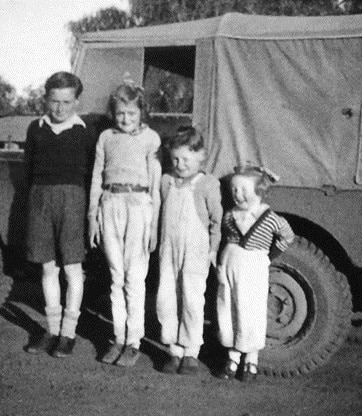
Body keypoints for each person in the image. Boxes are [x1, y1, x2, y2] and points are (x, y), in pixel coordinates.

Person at [88, 81, 161, 367]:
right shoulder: (106, 137)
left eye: (131, 114)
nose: (125, 119)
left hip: (139, 207)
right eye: (120, 113)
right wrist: (93, 216)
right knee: (116, 276)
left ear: (141, 113)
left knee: (135, 278)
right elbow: (96, 177)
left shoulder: (151, 139)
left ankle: (134, 341)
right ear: (113, 112)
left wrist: (153, 225)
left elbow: (155, 187)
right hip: (111, 205)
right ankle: (118, 337)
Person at [23, 71, 95, 358]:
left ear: (76, 101)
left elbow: (91, 172)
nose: (59, 108)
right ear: (46, 100)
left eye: (66, 102)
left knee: (72, 268)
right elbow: (28, 168)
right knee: (47, 267)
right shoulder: (35, 128)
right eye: (54, 101)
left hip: (72, 199)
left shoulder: (84, 131)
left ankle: (68, 334)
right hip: (41, 197)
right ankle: (51, 331)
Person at [216, 165, 294, 381]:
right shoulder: (230, 215)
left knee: (251, 312)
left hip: (253, 269)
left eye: (243, 190)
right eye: (234, 190)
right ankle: (232, 357)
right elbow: (225, 238)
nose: (237, 195)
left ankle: (251, 359)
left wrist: (269, 256)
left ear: (259, 192)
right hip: (229, 267)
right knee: (229, 309)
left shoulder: (269, 217)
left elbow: (287, 236)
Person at [156, 126, 223, 375]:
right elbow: (160, 214)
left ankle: (191, 351)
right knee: (166, 297)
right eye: (175, 158)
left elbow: (217, 220)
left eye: (185, 159)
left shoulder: (207, 184)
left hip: (196, 250)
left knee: (192, 300)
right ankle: (174, 350)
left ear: (201, 156)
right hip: (169, 250)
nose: (180, 164)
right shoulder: (166, 181)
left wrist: (213, 249)